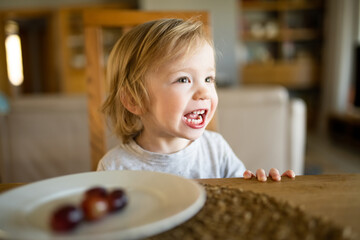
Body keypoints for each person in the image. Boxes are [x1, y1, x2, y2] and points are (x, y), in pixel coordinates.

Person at [97, 18, 295, 182]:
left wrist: (261, 185)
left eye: (209, 79)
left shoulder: (216, 149)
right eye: (183, 79)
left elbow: (242, 197)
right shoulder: (115, 167)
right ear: (134, 100)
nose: (204, 92)